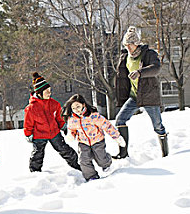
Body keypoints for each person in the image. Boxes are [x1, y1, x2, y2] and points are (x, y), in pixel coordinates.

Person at [113, 26, 169, 159]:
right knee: (120, 120)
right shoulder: (125, 57)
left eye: (130, 45)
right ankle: (123, 153)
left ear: (136, 43)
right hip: (134, 96)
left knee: (157, 126)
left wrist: (140, 72)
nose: (128, 47)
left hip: (149, 96)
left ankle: (165, 154)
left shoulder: (149, 54)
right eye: (126, 45)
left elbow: (156, 68)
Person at [24, 72, 81, 172]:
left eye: (50, 91)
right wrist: (28, 134)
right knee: (38, 155)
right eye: (47, 92)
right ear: (39, 93)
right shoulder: (31, 108)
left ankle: (78, 166)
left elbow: (59, 118)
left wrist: (63, 126)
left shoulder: (54, 104)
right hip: (39, 135)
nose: (49, 93)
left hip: (54, 132)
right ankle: (35, 173)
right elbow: (28, 124)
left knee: (64, 149)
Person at [63, 94, 126, 181]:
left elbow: (107, 126)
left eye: (78, 106)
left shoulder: (93, 116)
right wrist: (70, 135)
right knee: (83, 161)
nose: (76, 110)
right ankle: (91, 176)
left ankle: (107, 163)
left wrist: (117, 137)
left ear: (83, 104)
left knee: (101, 160)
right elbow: (72, 130)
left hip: (98, 141)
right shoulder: (72, 119)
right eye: (73, 108)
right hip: (83, 143)